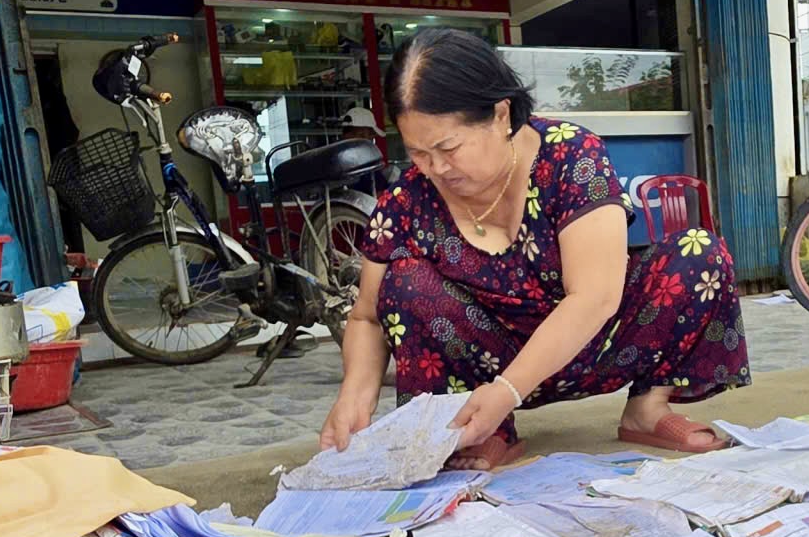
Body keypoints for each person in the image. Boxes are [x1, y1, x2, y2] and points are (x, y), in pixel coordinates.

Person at [319, 27, 749, 469]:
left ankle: (648, 407)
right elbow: (368, 315)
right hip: (485, 363)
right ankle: (480, 432)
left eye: (448, 147)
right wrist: (355, 393)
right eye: (418, 153)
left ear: (501, 115)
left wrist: (509, 390)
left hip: (598, 344)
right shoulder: (409, 200)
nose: (436, 168)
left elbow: (596, 297)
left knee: (700, 253)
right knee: (404, 281)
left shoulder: (571, 158)